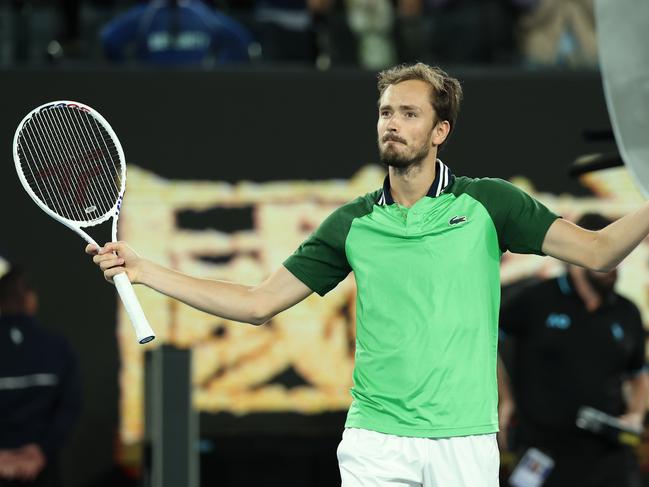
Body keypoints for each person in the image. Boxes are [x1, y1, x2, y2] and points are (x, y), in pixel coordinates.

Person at [87, 62, 649, 486]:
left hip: (465, 443)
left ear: (440, 132)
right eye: (386, 112)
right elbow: (258, 303)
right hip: (375, 442)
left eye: (410, 113)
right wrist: (146, 270)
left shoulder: (490, 204)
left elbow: (599, 252)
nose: (393, 123)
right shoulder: (352, 222)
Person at [498, 212, 649, 487]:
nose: (615, 263)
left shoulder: (627, 312)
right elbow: (484, 342)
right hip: (543, 454)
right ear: (584, 251)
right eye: (609, 252)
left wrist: (637, 413)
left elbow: (639, 373)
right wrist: (502, 400)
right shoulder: (535, 299)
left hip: (610, 457)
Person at [0, 269, 81, 487]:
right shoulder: (57, 347)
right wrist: (41, 450)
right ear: (30, 299)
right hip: (41, 470)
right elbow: (70, 407)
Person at [100, 0, 255, 66]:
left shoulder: (203, 15)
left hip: (198, 91)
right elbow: (109, 39)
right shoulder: (146, 15)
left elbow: (241, 41)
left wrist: (217, 71)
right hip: (152, 89)